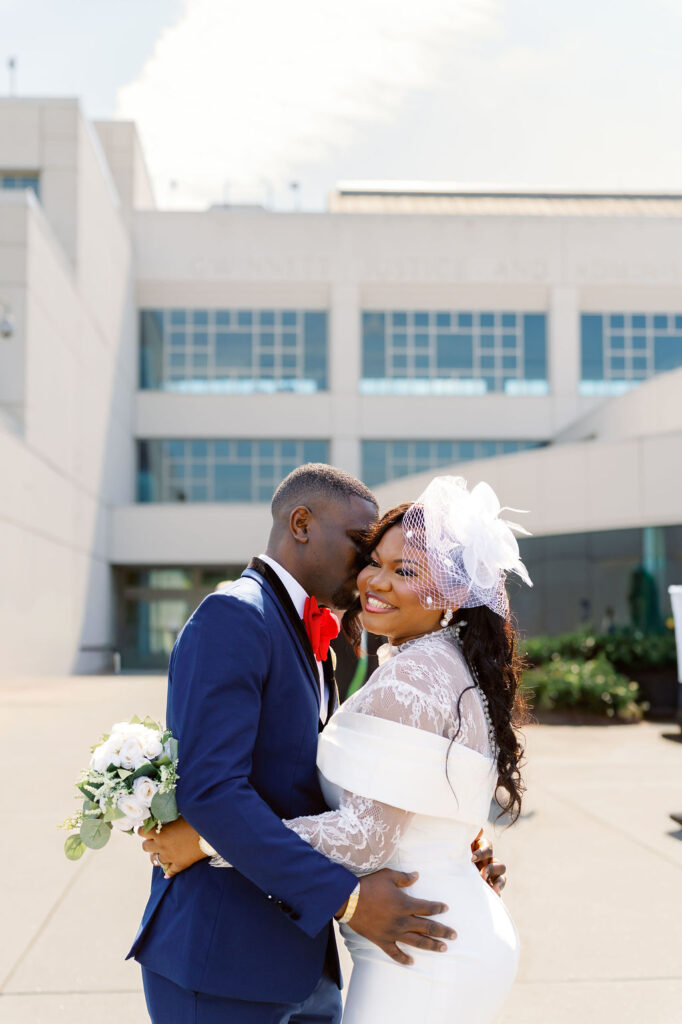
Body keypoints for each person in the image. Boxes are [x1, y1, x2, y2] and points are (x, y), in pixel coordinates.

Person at [140, 473, 524, 1023]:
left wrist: (446, 841)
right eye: (363, 546)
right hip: (223, 959)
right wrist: (350, 898)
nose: (368, 569)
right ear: (301, 525)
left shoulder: (329, 645)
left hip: (309, 956)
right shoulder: (236, 616)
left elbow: (349, 789)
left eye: (395, 565)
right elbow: (211, 789)